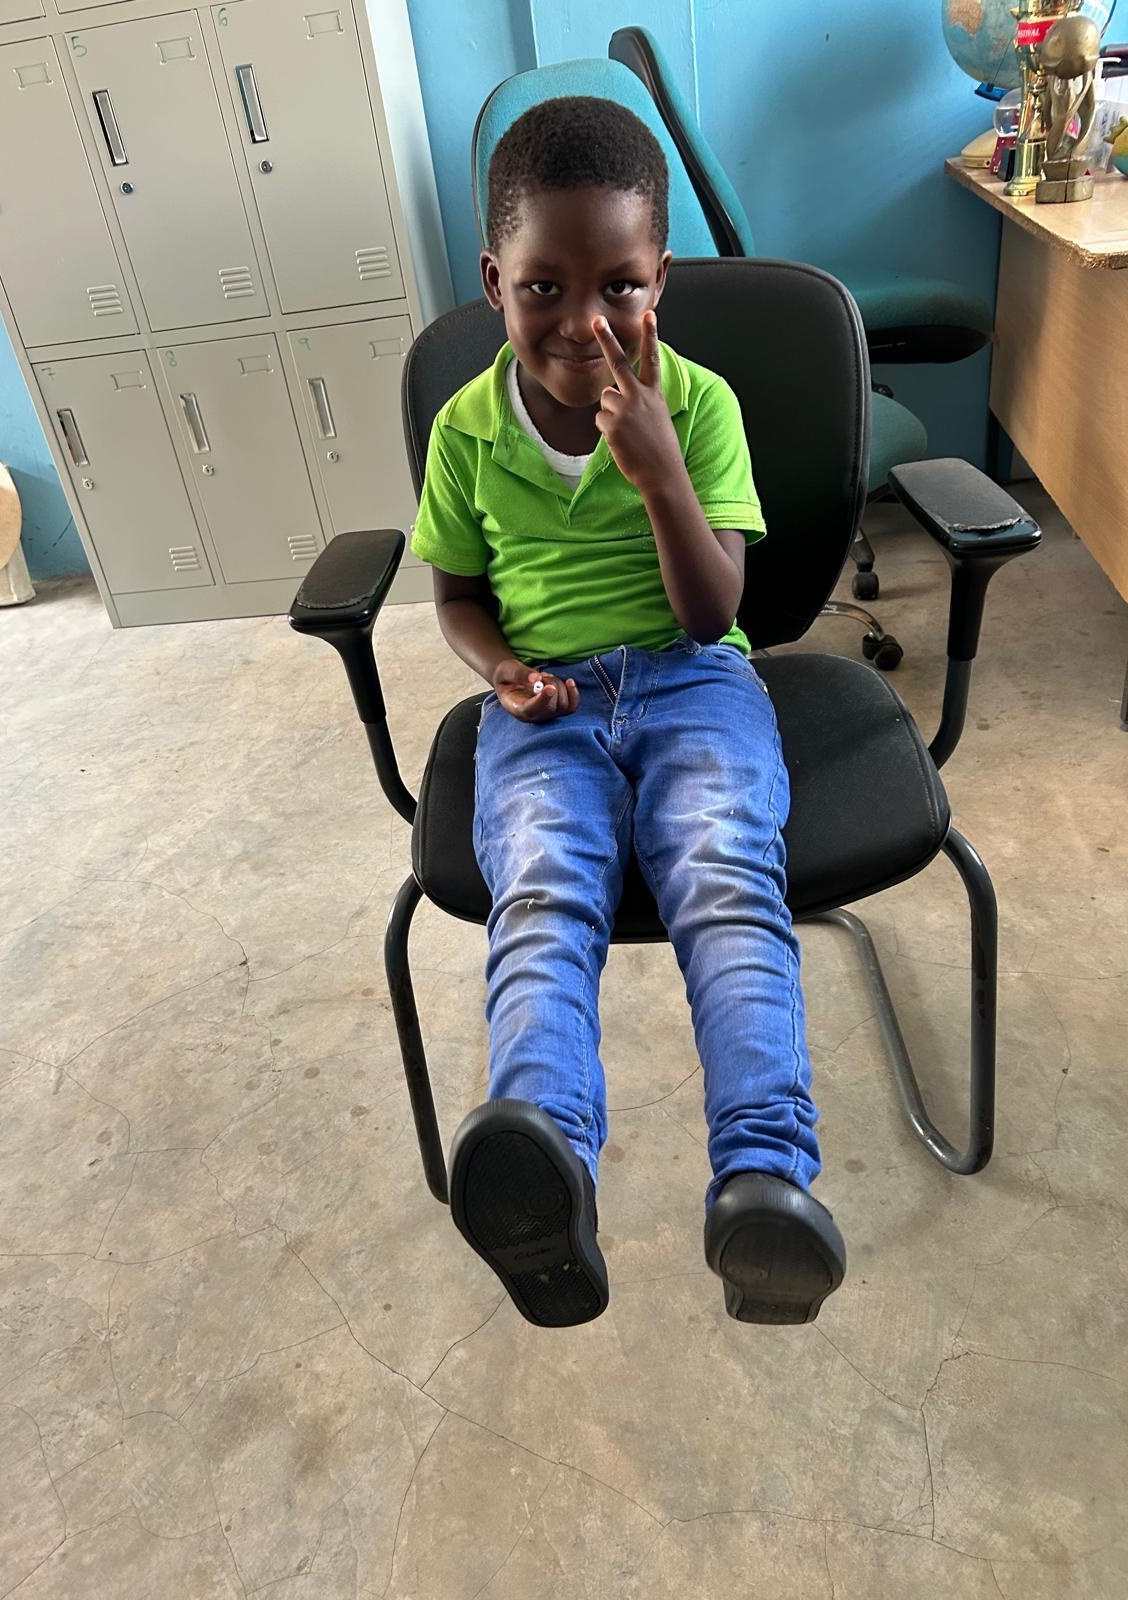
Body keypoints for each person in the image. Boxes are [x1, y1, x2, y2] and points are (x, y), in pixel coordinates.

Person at [411, 96, 845, 1330]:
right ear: (494, 282)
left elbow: (712, 614)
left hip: (692, 680)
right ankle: (545, 1165)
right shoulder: (465, 430)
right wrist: (501, 669)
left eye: (620, 287)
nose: (582, 323)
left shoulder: (697, 409)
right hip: (543, 705)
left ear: (661, 283)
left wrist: (656, 469)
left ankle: (763, 1181)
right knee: (543, 889)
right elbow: (456, 595)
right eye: (543, 288)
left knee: (721, 875)